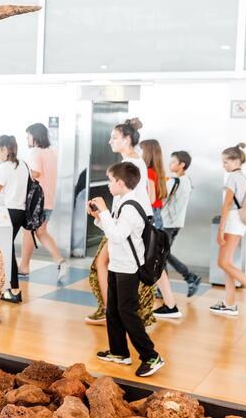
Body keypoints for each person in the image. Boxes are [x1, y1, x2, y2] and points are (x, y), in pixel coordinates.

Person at [89, 161, 165, 377]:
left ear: (121, 182)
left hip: (128, 268)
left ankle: (151, 356)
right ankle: (119, 352)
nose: (109, 184)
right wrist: (99, 217)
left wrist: (103, 211)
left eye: (111, 180)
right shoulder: (123, 201)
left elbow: (116, 235)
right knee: (113, 310)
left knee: (127, 312)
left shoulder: (130, 206)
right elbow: (115, 231)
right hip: (117, 264)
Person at [86, 118, 156, 325]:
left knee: (103, 263)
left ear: (127, 139)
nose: (110, 142)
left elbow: (126, 199)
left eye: (114, 137)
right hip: (129, 223)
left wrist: (104, 216)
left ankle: (111, 312)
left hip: (125, 225)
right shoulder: (137, 160)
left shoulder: (130, 164)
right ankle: (115, 312)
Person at [210, 143, 246, 317]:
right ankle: (229, 303)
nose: (224, 166)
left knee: (222, 262)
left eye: (225, 162)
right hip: (241, 222)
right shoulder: (243, 177)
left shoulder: (232, 177)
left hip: (233, 220)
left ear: (236, 160)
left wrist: (221, 228)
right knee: (227, 262)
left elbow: (227, 203)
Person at [154, 151, 199, 319]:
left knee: (161, 255)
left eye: (173, 162)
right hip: (176, 224)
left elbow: (159, 195)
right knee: (164, 255)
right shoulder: (187, 180)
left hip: (167, 224)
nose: (170, 164)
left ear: (182, 165)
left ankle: (189, 276)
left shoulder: (174, 180)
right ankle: (164, 288)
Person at [19, 123, 67, 281]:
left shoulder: (34, 152)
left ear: (35, 136)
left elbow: (36, 173)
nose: (27, 138)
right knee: (40, 232)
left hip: (36, 201)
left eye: (29, 135)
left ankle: (24, 267)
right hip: (49, 200)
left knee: (29, 231)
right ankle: (59, 260)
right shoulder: (51, 153)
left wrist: (21, 168)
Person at [0, 135, 29, 303]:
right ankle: (10, 288)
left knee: (5, 250)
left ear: (5, 149)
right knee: (8, 249)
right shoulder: (23, 166)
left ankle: (12, 289)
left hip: (7, 213)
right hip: (21, 213)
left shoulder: (4, 167)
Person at [140, 139, 167, 230]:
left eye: (142, 151)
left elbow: (151, 199)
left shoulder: (149, 172)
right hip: (157, 211)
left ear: (147, 154)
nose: (140, 154)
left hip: (151, 212)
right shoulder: (157, 171)